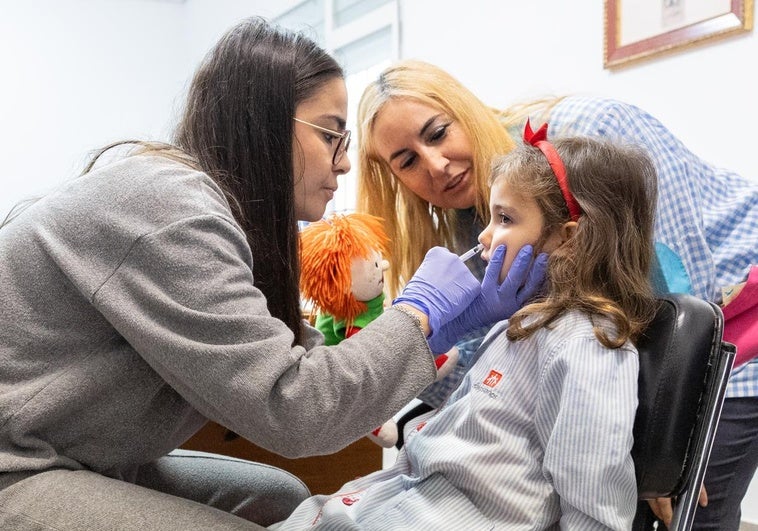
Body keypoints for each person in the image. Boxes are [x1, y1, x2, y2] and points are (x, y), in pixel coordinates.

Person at [0, 21, 540, 531]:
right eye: (332, 135)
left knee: (282, 498)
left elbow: (306, 363)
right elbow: (296, 409)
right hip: (16, 462)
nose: (345, 163)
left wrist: (439, 329)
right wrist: (419, 310)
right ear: (264, 127)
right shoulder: (172, 210)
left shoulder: (223, 221)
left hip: (67, 448)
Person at [356, 59, 758, 528]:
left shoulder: (596, 132)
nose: (437, 165)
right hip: (636, 335)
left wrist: (675, 434)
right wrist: (404, 364)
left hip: (730, 319)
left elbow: (681, 287)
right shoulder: (477, 224)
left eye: (438, 133)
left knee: (679, 501)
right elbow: (481, 362)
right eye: (407, 162)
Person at [271, 125, 660, 530]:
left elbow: (593, 509)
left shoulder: (585, 346)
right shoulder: (520, 326)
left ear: (568, 241)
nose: (484, 235)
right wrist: (437, 327)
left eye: (505, 218)